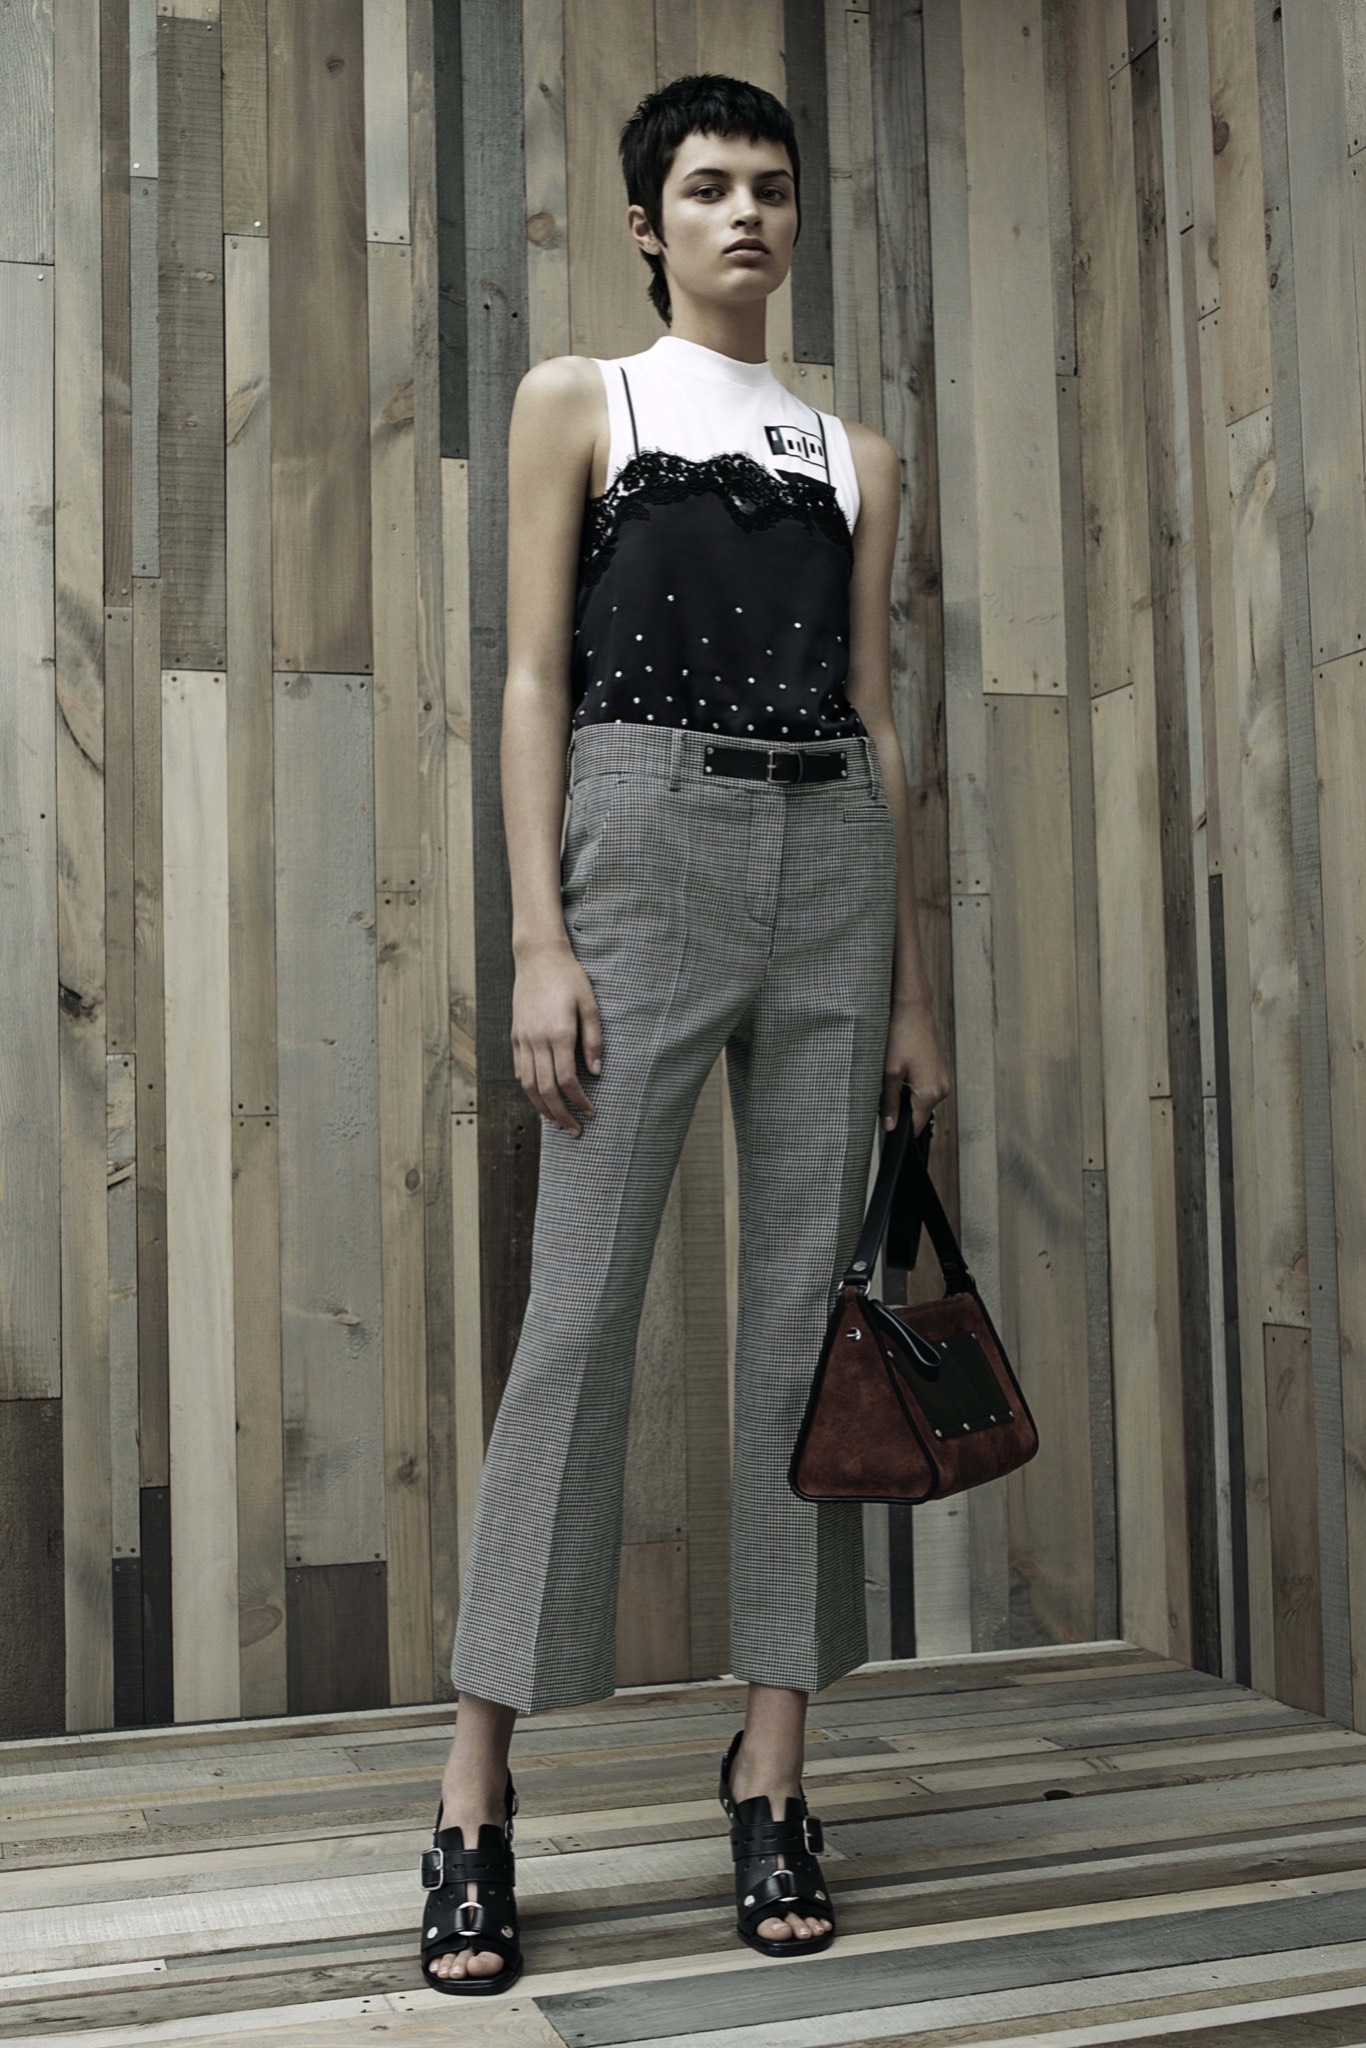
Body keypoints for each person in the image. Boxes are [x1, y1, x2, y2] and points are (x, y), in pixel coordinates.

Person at [418, 72, 952, 1993]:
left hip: (830, 858)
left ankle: (775, 1772)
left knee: (807, 1336)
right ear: (648, 224)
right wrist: (538, 937)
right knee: (578, 1318)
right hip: (640, 843)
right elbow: (531, 677)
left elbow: (876, 712)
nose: (747, 215)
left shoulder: (852, 452)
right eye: (710, 188)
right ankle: (474, 1795)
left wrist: (910, 987)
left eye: (773, 189)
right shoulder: (586, 399)